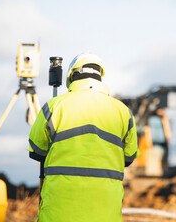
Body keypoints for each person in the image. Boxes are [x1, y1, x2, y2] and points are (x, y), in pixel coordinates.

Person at [28, 52, 139, 222]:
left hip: (58, 214)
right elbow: (129, 158)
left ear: (72, 77)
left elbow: (36, 151)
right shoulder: (124, 112)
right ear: (100, 77)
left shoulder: (53, 106)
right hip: (106, 215)